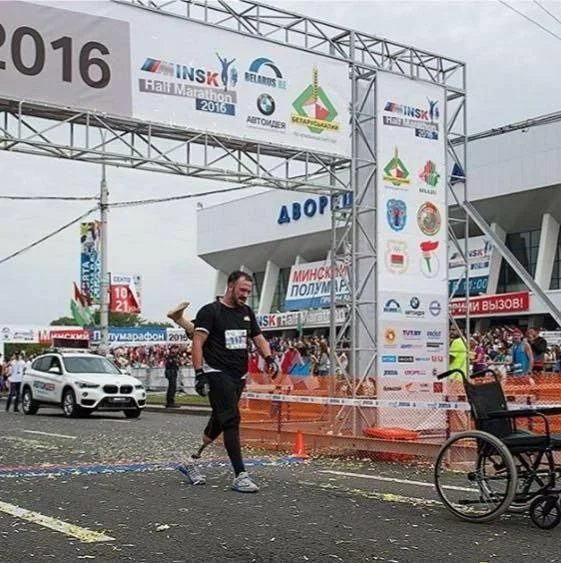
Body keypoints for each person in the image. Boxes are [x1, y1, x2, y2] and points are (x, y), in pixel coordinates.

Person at [181, 271, 279, 493]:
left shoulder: (246, 312)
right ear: (230, 287)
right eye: (242, 290)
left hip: (238, 375)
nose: (245, 295)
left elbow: (259, 337)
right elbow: (197, 342)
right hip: (216, 372)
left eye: (248, 292)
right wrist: (199, 373)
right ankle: (240, 475)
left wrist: (270, 358)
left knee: (220, 419)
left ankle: (191, 460)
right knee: (232, 418)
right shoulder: (210, 311)